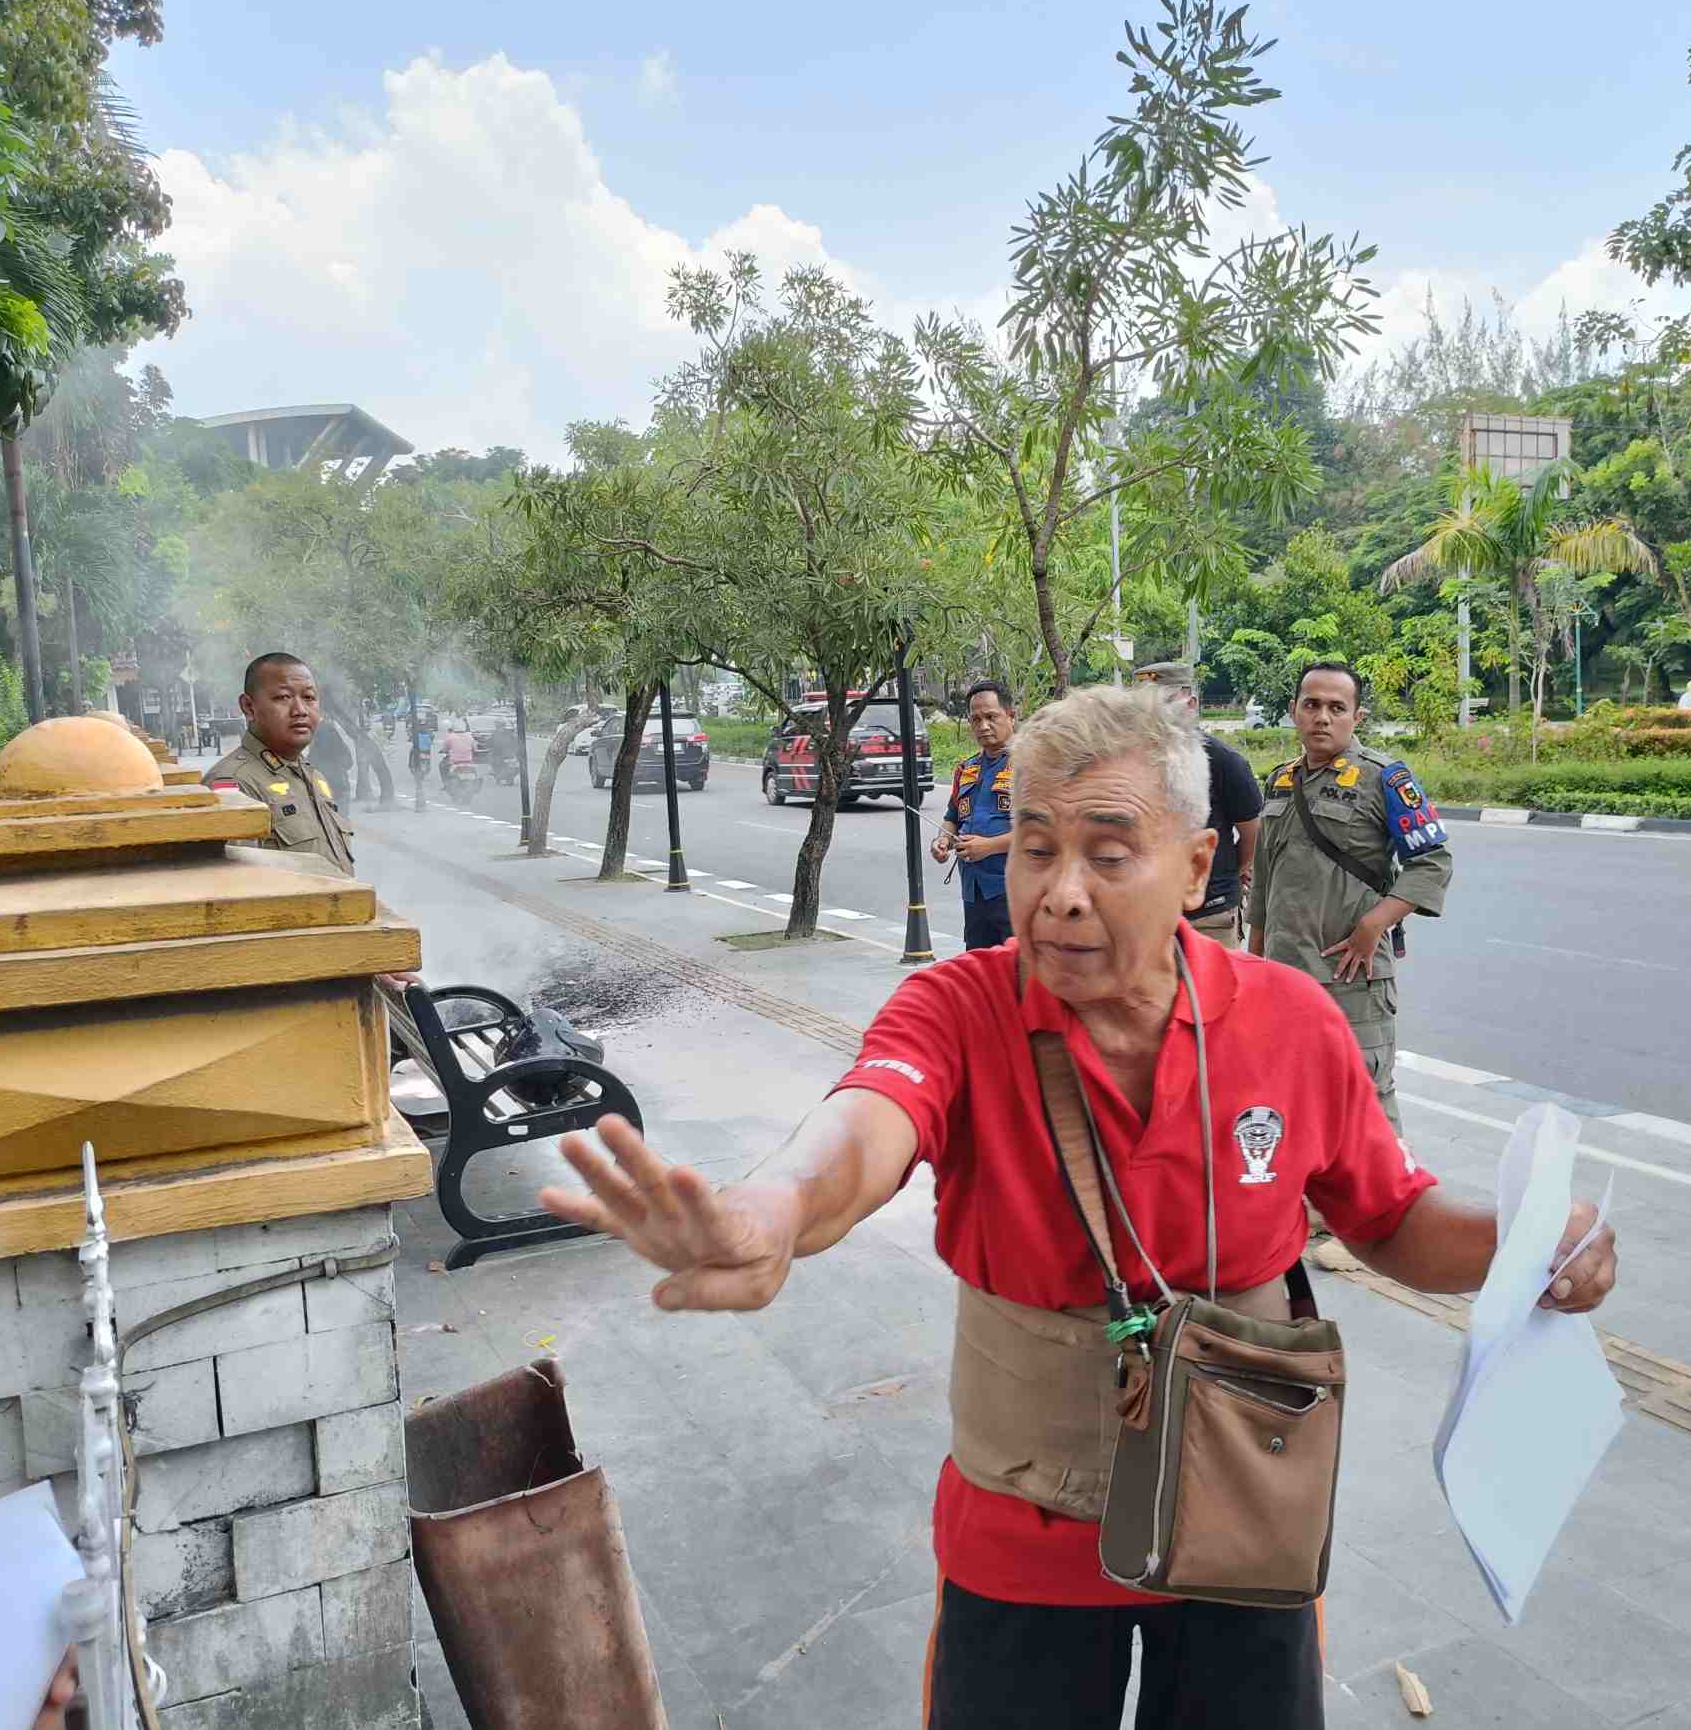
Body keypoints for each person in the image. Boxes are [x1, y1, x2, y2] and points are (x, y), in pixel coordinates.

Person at [538, 685, 1616, 1730]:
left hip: (1245, 1517)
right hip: (1023, 1536)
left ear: (1195, 867)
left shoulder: (1290, 1020)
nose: (1057, 891)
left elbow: (1388, 1217)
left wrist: (1527, 1248)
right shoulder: (955, 1007)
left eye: (1106, 854)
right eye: (1033, 846)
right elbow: (866, 1125)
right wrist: (772, 1209)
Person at [1247, 662, 1451, 1141]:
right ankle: (1316, 1211)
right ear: (1294, 711)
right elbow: (1264, 879)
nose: (1322, 716)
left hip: (1351, 977)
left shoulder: (1384, 779)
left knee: (1366, 1098)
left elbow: (1433, 862)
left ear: (1356, 717)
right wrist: (1253, 958)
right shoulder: (1280, 780)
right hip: (1284, 975)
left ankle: (1386, 1212)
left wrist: (1373, 926)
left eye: (1336, 707)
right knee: (1291, 1094)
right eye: (1311, 704)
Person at [1132, 660, 1263, 947]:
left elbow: (1252, 834)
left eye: (1165, 700)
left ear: (1190, 703)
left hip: (1209, 916)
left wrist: (1228, 872)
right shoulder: (1127, 761)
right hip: (1144, 914)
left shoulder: (1223, 761)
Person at [204, 653, 357, 874]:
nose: (300, 710)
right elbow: (237, 890)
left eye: (309, 698)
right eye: (283, 697)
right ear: (248, 707)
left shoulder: (312, 776)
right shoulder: (233, 784)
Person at [931, 680, 1015, 950]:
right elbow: (953, 816)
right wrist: (942, 839)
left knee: (1019, 972)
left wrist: (989, 846)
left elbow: (1046, 831)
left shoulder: (1033, 765)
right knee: (980, 969)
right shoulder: (966, 769)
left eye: (991, 717)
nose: (983, 726)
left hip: (1016, 890)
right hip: (974, 891)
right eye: (975, 719)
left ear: (1011, 716)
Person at [438, 717, 477, 786]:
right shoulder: (469, 736)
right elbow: (474, 748)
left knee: (442, 765)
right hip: (468, 761)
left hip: (455, 761)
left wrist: (444, 751)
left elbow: (444, 748)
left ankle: (445, 783)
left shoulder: (450, 736)